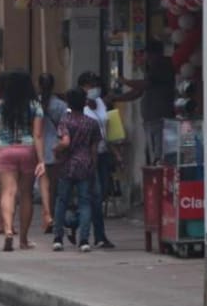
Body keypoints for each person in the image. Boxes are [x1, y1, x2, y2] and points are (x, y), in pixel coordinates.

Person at [0, 70, 44, 251]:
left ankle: (7, 229)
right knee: (26, 195)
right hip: (27, 149)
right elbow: (37, 134)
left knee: (7, 192)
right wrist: (41, 159)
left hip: (4, 150)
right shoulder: (34, 105)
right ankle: (23, 239)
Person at [52, 88, 101, 252]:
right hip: (85, 165)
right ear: (85, 102)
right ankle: (84, 240)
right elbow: (94, 148)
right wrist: (93, 165)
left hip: (67, 165)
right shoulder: (92, 123)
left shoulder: (65, 121)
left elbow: (65, 142)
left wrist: (56, 149)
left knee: (62, 202)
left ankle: (58, 238)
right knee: (85, 203)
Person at [115, 39, 176, 164]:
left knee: (160, 154)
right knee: (153, 152)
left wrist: (126, 81)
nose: (144, 57)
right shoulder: (151, 68)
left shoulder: (161, 65)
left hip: (160, 117)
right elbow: (138, 92)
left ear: (151, 54)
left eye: (144, 54)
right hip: (151, 119)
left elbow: (145, 85)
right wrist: (116, 97)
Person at [79, 71, 116, 249]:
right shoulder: (80, 108)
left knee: (101, 194)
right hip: (88, 156)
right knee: (95, 194)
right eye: (90, 85)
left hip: (103, 153)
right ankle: (98, 235)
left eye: (96, 85)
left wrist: (114, 151)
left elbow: (106, 126)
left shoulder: (100, 103)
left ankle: (97, 233)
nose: (94, 89)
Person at [37, 73, 67, 233]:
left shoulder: (34, 103)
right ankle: (53, 217)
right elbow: (64, 129)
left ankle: (47, 215)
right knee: (54, 188)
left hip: (39, 149)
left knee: (44, 188)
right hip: (56, 148)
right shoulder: (60, 105)